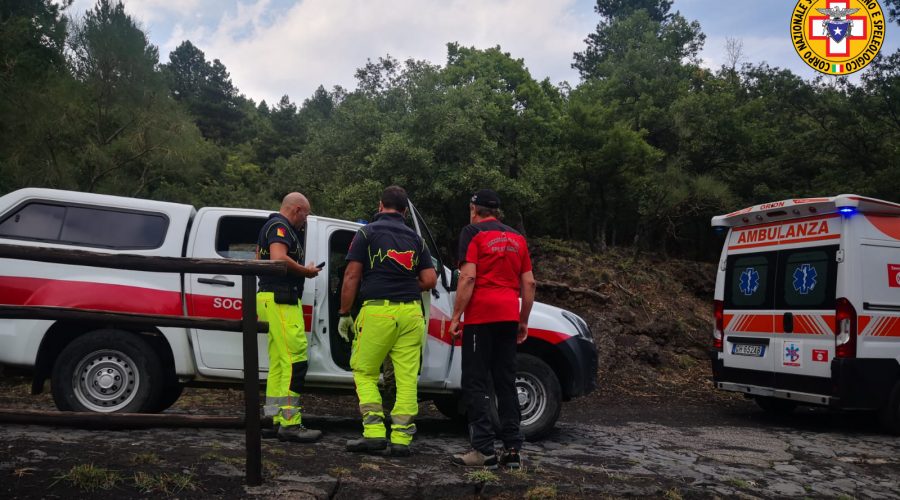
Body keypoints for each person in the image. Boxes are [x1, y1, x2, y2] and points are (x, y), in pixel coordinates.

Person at [338, 185, 437, 457]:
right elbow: (430, 279)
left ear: (380, 205)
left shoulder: (367, 232)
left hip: (377, 312)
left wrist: (345, 313)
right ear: (405, 211)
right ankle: (402, 440)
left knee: (365, 372)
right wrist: (404, 286)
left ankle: (373, 435)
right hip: (411, 314)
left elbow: (351, 276)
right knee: (406, 379)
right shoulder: (416, 240)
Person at [448, 189, 536, 469]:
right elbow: (530, 284)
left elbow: (468, 277)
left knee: (475, 382)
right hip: (508, 315)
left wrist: (455, 317)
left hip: (480, 317)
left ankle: (483, 450)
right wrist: (523, 320)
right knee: (505, 382)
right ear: (496, 211)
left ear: (474, 208)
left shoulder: (471, 232)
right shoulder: (517, 238)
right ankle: (512, 451)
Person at [256, 192, 322, 442]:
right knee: (296, 361)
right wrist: (305, 271)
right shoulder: (280, 226)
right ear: (296, 209)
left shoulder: (269, 226)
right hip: (281, 299)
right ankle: (290, 423)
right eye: (306, 213)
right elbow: (277, 259)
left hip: (269, 297)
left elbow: (257, 259)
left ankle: (273, 419)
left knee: (280, 363)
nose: (306, 219)